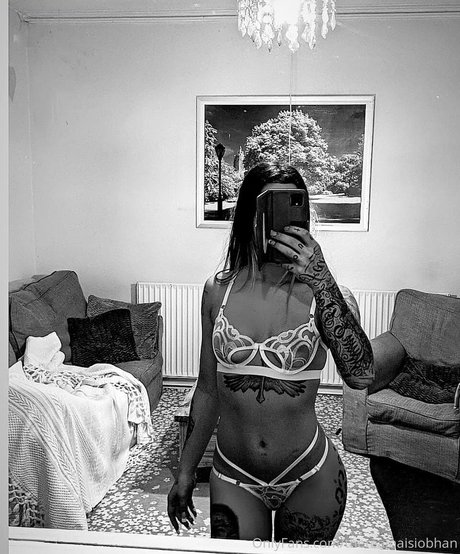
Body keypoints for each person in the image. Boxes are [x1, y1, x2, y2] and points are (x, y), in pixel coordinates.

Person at [167, 162, 374, 542]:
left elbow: (361, 376)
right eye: (268, 207)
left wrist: (322, 279)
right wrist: (185, 470)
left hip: (311, 473)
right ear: (249, 216)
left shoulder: (328, 295)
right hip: (233, 474)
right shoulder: (217, 290)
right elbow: (208, 390)